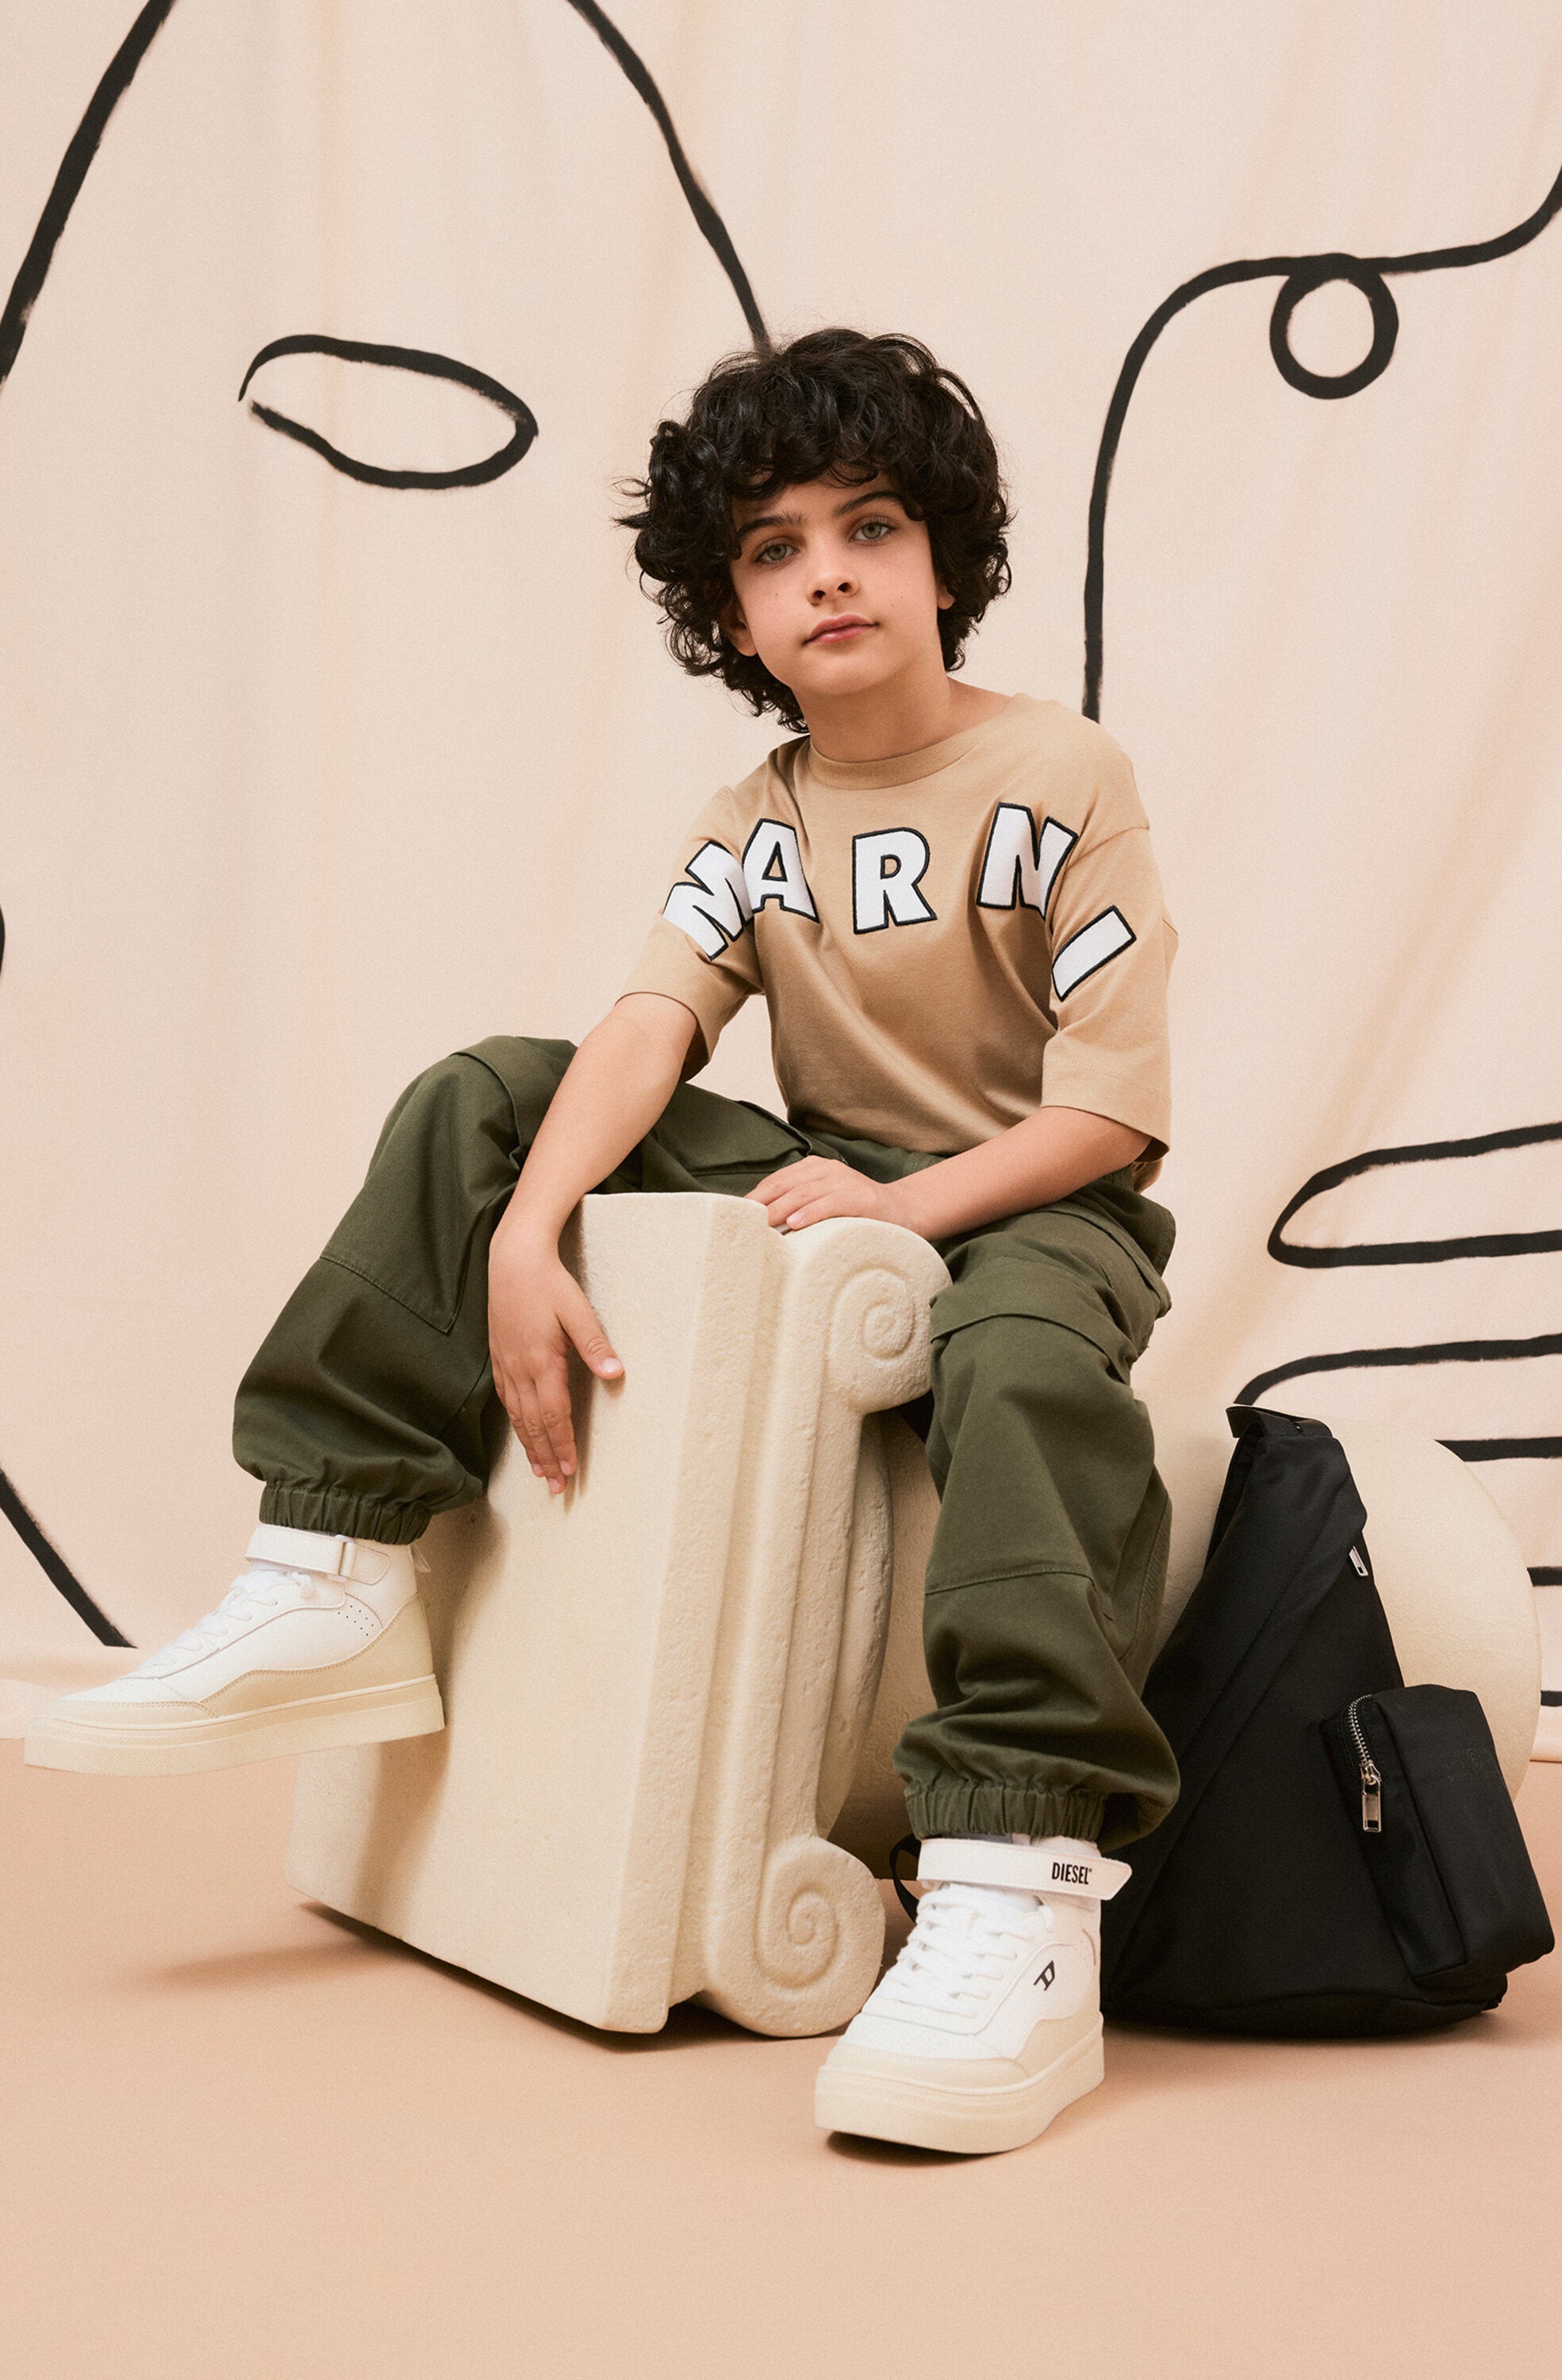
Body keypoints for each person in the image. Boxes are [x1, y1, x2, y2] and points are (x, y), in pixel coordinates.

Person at [28, 328, 1180, 2156]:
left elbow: (1108, 1112)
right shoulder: (755, 817)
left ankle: (1014, 1882)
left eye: (869, 528)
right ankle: (334, 1562)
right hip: (823, 1165)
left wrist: (905, 1210)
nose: (827, 574)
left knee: (1024, 1363)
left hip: (1037, 1198)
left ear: (943, 556)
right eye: (775, 549)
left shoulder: (1062, 769)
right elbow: (650, 1026)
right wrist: (527, 1230)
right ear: (732, 616)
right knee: (492, 1093)